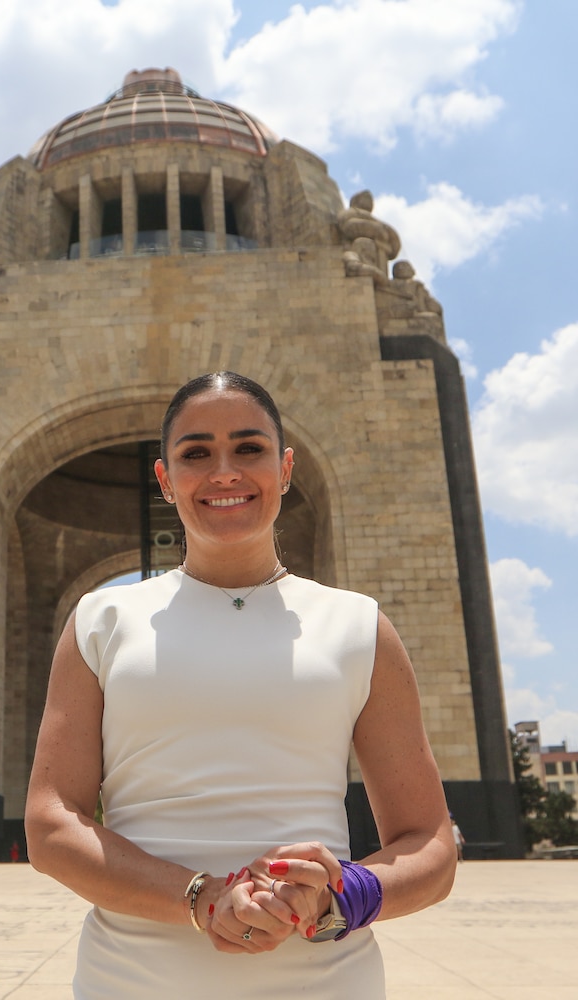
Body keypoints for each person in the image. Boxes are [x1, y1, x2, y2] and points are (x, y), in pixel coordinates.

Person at [25, 371, 456, 999]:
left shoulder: (359, 626)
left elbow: (431, 843)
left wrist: (339, 897)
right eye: (196, 453)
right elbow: (51, 824)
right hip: (134, 982)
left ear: (284, 468)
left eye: (248, 448)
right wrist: (201, 900)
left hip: (325, 984)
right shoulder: (101, 620)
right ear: (166, 480)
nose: (224, 471)